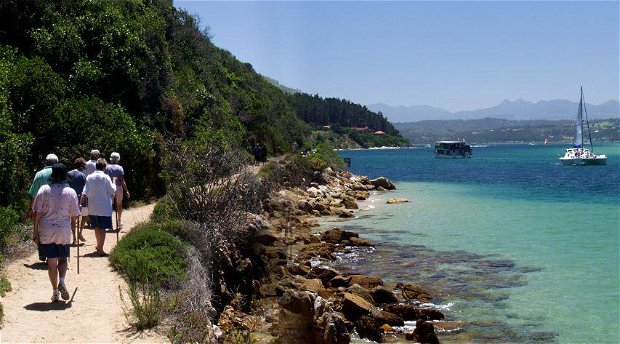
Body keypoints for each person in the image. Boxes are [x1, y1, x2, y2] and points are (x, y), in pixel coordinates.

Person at [32, 163, 80, 302]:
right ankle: (62, 281)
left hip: (46, 229)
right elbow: (75, 216)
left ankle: (54, 292)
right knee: (63, 259)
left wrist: (35, 231)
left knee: (51, 262)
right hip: (63, 229)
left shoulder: (43, 190)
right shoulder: (70, 191)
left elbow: (37, 214)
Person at [81, 158, 116, 256]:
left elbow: (85, 192)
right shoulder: (106, 177)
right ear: (104, 167)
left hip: (93, 207)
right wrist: (115, 184)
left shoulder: (89, 177)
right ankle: (100, 248)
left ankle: (98, 245)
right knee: (103, 228)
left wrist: (80, 203)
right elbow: (112, 190)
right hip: (104, 207)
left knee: (96, 227)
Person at [28, 153, 59, 262]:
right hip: (56, 206)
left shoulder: (39, 174)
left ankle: (43, 253)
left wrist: (30, 208)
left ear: (46, 161)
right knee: (55, 228)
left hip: (40, 207)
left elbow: (33, 193)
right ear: (57, 162)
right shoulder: (60, 173)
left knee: (40, 230)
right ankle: (52, 255)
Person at [105, 152, 130, 229]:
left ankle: (108, 222)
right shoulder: (120, 168)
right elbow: (122, 181)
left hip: (109, 187)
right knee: (119, 205)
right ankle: (119, 220)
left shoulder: (107, 168)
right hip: (118, 187)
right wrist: (126, 190)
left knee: (109, 205)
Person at [66, 158, 87, 244]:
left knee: (73, 220)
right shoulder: (82, 176)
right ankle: (80, 233)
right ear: (81, 166)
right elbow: (86, 189)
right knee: (84, 216)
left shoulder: (68, 174)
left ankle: (74, 237)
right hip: (82, 199)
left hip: (70, 200)